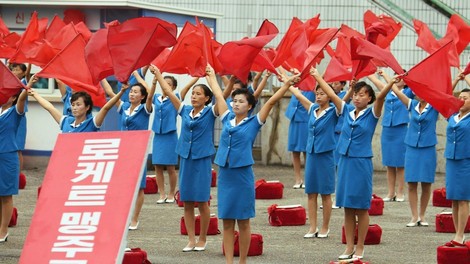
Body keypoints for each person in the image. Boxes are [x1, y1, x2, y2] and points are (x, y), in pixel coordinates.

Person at [214, 66, 300, 264]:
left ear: (250, 106)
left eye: (241, 101)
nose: (235, 104)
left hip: (242, 176)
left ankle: (242, 260)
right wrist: (212, 75)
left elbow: (271, 101)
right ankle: (229, 261)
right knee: (227, 222)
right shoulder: (226, 118)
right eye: (234, 101)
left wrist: (286, 83)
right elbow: (218, 94)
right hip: (225, 174)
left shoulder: (254, 122)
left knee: (243, 222)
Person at [153, 66, 220, 252]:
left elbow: (221, 96)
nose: (194, 96)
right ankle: (191, 239)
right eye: (193, 93)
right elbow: (168, 91)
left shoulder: (210, 112)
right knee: (188, 201)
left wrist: (213, 78)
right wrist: (157, 73)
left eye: (198, 94)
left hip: (202, 159)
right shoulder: (185, 110)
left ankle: (203, 238)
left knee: (202, 201)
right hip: (186, 158)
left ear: (206, 98)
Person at [336, 78, 393, 261]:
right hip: (345, 161)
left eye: (362, 95)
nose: (357, 98)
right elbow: (332, 95)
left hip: (361, 163)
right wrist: (315, 74)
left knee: (361, 207)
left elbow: (382, 97)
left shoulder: (372, 114)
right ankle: (349, 246)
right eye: (355, 94)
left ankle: (360, 246)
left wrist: (390, 82)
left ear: (369, 98)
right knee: (347, 207)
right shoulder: (347, 111)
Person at [290, 69, 348, 239]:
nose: (319, 96)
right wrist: (286, 80)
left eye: (322, 93)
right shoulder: (313, 109)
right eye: (317, 93)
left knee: (325, 193)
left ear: (329, 95)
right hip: (312, 155)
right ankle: (313, 227)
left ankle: (325, 227)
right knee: (311, 192)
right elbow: (299, 96)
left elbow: (332, 94)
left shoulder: (334, 111)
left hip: (326, 155)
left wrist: (317, 76)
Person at [387, 78, 439, 227]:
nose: (419, 94)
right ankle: (414, 216)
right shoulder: (412, 105)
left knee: (426, 183)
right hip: (411, 147)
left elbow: (445, 93)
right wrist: (392, 79)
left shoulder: (434, 106)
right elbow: (396, 91)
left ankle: (422, 215)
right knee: (411, 183)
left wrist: (455, 79)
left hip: (428, 147)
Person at [111, 71, 156, 230]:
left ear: (142, 97)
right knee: (123, 185)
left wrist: (140, 77)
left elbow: (150, 94)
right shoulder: (124, 107)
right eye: (131, 91)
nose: (132, 94)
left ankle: (135, 218)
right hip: (123, 151)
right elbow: (110, 94)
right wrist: (102, 78)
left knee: (138, 186)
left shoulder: (145, 109)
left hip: (138, 151)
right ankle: (123, 216)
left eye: (135, 92)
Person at [150, 73, 198, 204]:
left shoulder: (176, 97)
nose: (165, 86)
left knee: (170, 167)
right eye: (163, 83)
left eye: (169, 84)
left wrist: (198, 76)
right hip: (158, 136)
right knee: (157, 166)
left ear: (174, 87)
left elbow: (187, 87)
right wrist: (140, 73)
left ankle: (171, 193)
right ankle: (162, 194)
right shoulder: (156, 98)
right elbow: (147, 91)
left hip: (170, 135)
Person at [368, 71, 413, 202]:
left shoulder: (408, 92)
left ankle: (400, 192)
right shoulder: (387, 90)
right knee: (389, 163)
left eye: (401, 77)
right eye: (396, 76)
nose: (398, 79)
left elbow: (417, 88)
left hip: (401, 129)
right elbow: (375, 81)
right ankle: (390, 192)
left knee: (400, 163)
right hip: (387, 129)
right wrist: (371, 72)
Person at [0, 76, 33, 243]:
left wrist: (28, 86)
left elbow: (22, 98)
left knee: (5, 195)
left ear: (12, 97)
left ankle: (3, 230)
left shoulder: (15, 111)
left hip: (7, 156)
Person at [29, 78, 127, 133]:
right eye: (73, 105)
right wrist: (34, 94)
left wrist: (121, 91)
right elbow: (49, 107)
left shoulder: (92, 123)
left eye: (78, 105)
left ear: (87, 107)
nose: (74, 108)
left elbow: (106, 108)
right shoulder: (65, 121)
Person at [444, 75, 470, 246]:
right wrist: (455, 81)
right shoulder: (452, 116)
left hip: (466, 161)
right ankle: (456, 233)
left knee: (463, 199)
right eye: (459, 97)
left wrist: (467, 78)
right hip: (451, 161)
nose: (461, 100)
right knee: (453, 198)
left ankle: (461, 234)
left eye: (465, 98)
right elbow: (444, 94)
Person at [285, 75, 315, 189]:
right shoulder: (295, 86)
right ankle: (298, 179)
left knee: (306, 152)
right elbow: (284, 77)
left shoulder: (312, 87)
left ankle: (308, 179)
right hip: (294, 121)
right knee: (295, 151)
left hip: (305, 122)